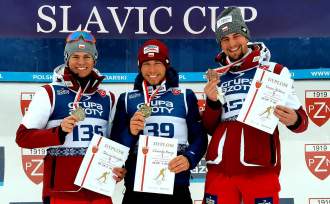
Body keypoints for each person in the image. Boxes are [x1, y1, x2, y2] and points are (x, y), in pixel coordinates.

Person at [202, 7, 309, 204]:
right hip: (220, 170)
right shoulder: (217, 75)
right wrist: (212, 102)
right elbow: (209, 127)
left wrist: (295, 119)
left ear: (246, 36)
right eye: (225, 39)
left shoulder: (275, 70)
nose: (232, 44)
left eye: (236, 36)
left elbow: (302, 122)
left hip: (259, 169)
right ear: (220, 43)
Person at [16, 31, 126, 204]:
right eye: (75, 56)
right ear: (67, 58)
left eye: (87, 56)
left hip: (99, 189)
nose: (81, 62)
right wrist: (59, 131)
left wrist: (120, 166)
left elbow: (115, 142)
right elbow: (23, 138)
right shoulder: (49, 92)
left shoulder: (108, 97)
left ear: (94, 59)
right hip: (62, 191)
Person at [111, 39, 208, 204]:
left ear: (166, 65)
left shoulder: (185, 95)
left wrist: (189, 159)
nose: (152, 69)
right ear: (139, 67)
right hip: (137, 188)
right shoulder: (127, 99)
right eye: (146, 64)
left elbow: (199, 137)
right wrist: (130, 132)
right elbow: (115, 145)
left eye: (157, 63)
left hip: (176, 185)